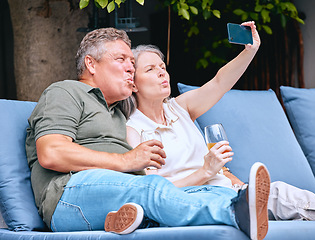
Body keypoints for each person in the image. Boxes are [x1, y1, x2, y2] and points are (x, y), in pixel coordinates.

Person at [25, 27, 270, 240]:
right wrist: (126, 160)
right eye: (121, 59)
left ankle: (122, 219)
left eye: (132, 63)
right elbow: (51, 152)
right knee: (150, 187)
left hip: (115, 196)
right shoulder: (66, 92)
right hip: (68, 196)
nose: (130, 68)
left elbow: (215, 85)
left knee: (207, 190)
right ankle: (234, 212)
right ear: (91, 64)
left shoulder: (119, 113)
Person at [125, 24, 315, 221]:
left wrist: (250, 51)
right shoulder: (134, 130)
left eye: (162, 67)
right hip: (192, 198)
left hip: (223, 189)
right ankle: (244, 210)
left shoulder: (180, 107)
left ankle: (247, 204)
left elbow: (219, 82)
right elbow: (153, 191)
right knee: (250, 201)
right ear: (133, 84)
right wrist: (206, 171)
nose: (161, 73)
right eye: (150, 69)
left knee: (283, 194)